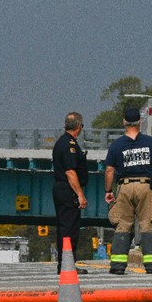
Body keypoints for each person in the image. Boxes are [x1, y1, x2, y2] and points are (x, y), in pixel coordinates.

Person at [103, 107, 152, 275]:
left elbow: (109, 170)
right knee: (148, 223)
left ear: (124, 122)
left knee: (122, 224)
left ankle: (117, 265)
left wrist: (109, 190)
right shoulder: (151, 143)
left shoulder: (116, 145)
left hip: (125, 186)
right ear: (139, 122)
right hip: (146, 186)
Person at [51, 112, 89, 275]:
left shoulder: (62, 142)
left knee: (64, 227)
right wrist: (80, 194)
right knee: (69, 229)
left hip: (62, 189)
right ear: (79, 126)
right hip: (68, 190)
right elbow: (70, 172)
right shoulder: (69, 145)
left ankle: (65, 264)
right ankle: (67, 265)